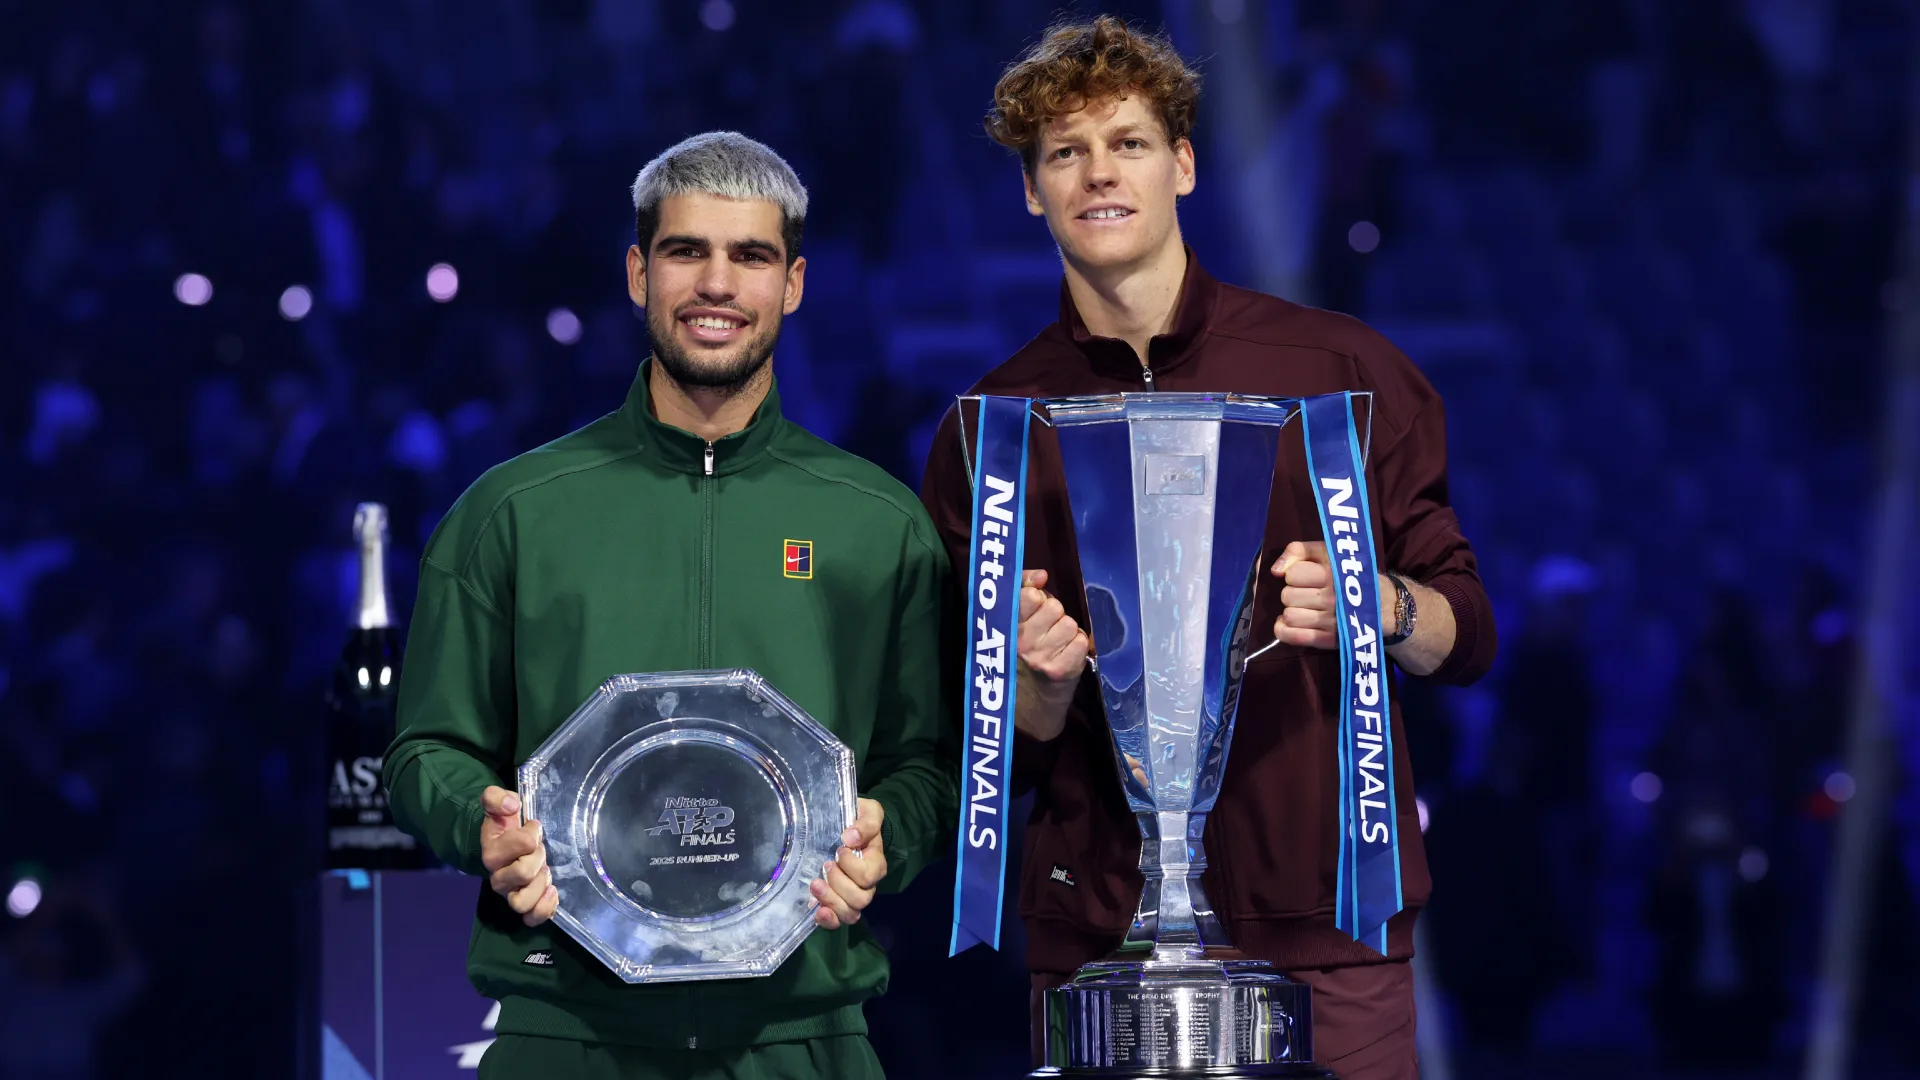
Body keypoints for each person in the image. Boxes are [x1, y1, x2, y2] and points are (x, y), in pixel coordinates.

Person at [918, 18, 1497, 1079]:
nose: (1099, 173)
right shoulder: (989, 428)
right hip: (1101, 943)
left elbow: (1466, 634)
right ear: (1030, 191)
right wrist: (1036, 688)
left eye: (1128, 143)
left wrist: (1386, 607)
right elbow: (992, 757)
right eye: (1064, 153)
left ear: (1182, 164)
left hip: (1329, 932)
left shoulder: (1344, 371)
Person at [386, 131, 958, 1080]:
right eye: (687, 251)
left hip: (800, 1039)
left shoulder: (877, 522)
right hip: (563, 1035)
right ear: (637, 272)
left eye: (752, 256)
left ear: (796, 282)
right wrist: (479, 827)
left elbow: (928, 766)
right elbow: (424, 750)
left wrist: (881, 838)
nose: (718, 284)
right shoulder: (512, 512)